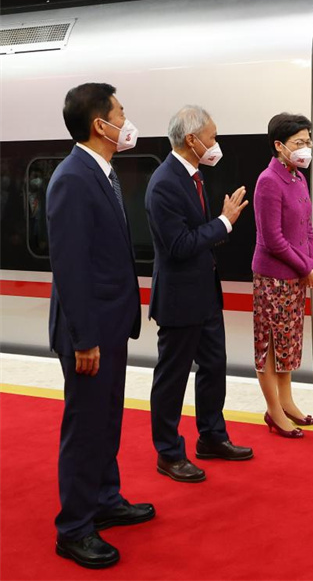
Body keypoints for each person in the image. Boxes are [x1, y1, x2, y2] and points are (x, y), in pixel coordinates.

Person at [47, 83, 154, 569]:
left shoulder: (103, 173)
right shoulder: (73, 178)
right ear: (100, 124)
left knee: (107, 418)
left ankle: (105, 500)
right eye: (121, 113)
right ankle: (73, 528)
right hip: (89, 333)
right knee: (85, 427)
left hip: (111, 327)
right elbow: (70, 266)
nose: (126, 121)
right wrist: (83, 338)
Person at [145, 105, 253, 482]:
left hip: (205, 294)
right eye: (211, 137)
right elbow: (178, 245)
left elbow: (195, 233)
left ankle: (211, 436)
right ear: (191, 140)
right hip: (179, 299)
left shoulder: (194, 176)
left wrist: (218, 223)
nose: (215, 144)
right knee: (172, 377)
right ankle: (168, 453)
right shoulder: (164, 183)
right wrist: (224, 223)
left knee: (214, 366)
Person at [252, 113, 313, 439]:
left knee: (288, 344)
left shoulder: (297, 178)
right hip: (273, 278)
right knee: (269, 345)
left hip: (295, 277)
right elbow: (273, 240)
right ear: (279, 145)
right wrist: (305, 268)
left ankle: (288, 402)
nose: (305, 148)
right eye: (299, 143)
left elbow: (306, 228)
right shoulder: (268, 181)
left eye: (308, 142)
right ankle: (274, 411)